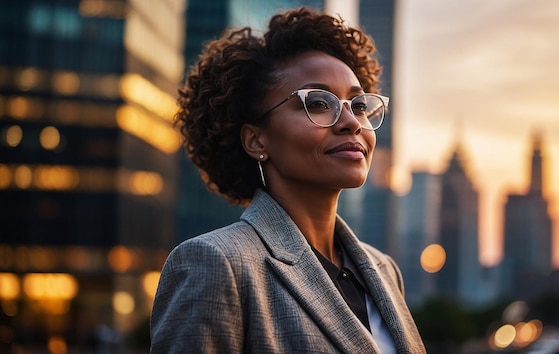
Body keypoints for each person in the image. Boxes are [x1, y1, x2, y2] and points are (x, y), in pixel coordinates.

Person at [150, 7, 427, 354]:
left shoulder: (384, 270)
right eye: (318, 102)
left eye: (358, 105)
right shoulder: (216, 263)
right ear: (256, 140)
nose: (351, 122)